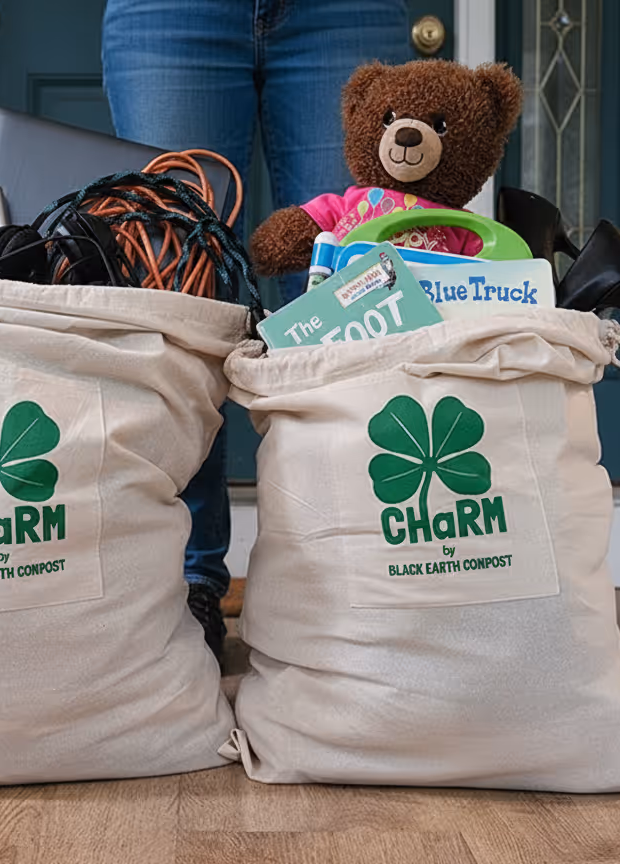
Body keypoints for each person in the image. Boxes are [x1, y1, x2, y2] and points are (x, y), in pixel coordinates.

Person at [102, 0, 414, 658]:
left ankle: (354, 573)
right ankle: (187, 585)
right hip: (172, 13)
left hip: (344, 13)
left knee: (359, 286)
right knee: (176, 293)